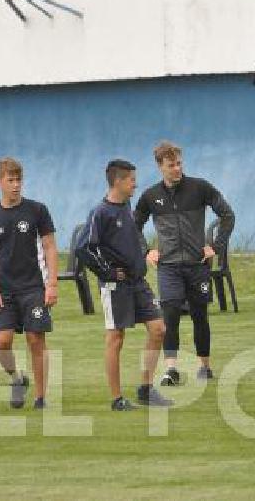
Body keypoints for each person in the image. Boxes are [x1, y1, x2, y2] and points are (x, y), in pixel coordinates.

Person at [134, 141, 235, 385]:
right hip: (168, 267)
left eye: (179, 163)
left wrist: (217, 247)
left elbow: (227, 215)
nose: (177, 169)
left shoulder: (200, 188)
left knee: (200, 315)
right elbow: (133, 225)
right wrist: (146, 251)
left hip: (197, 264)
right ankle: (171, 369)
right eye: (171, 165)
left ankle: (204, 366)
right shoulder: (150, 196)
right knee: (170, 315)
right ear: (160, 167)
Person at [77, 159, 173, 411]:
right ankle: (117, 398)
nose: (135, 184)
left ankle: (145, 389)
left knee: (158, 329)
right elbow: (83, 247)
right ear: (118, 181)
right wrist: (106, 272)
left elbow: (131, 237)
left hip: (137, 282)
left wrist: (144, 253)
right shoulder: (101, 212)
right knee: (116, 337)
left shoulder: (127, 205)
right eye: (131, 179)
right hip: (115, 286)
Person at [0, 157, 58, 410]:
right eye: (10, 180)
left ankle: (40, 398)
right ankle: (17, 378)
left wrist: (52, 284)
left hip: (34, 287)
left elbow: (49, 246)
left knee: (36, 339)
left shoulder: (37, 210)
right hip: (5, 291)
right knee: (1, 343)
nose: (15, 185)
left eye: (18, 180)